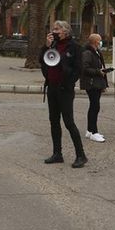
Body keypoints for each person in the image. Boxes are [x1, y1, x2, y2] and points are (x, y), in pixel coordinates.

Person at [39, 20, 87, 169]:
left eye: (57, 29)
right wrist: (45, 47)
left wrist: (68, 83)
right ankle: (57, 154)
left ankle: (81, 155)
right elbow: (41, 60)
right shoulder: (52, 45)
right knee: (54, 121)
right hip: (52, 88)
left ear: (66, 31)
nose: (54, 31)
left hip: (64, 90)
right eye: (53, 29)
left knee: (68, 122)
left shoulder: (74, 47)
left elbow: (78, 69)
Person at [80, 34, 112, 143]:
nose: (101, 42)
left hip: (97, 83)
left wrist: (103, 72)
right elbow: (85, 68)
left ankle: (89, 130)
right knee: (95, 107)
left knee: (94, 106)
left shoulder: (96, 52)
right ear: (95, 42)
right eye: (100, 40)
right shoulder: (88, 53)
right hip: (92, 84)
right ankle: (94, 132)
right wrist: (98, 72)